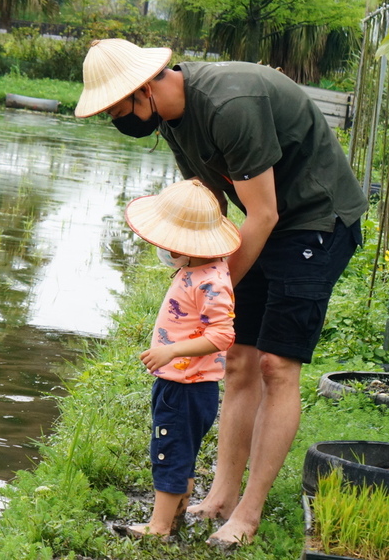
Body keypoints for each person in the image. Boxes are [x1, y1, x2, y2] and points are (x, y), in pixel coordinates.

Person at [75, 39, 367, 547]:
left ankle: (248, 514)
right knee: (237, 358)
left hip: (316, 218)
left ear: (143, 88)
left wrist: (216, 288)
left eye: (117, 109)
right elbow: (212, 205)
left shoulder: (230, 106)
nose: (116, 120)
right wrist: (191, 267)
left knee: (276, 364)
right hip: (266, 220)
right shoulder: (171, 119)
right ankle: (221, 497)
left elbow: (265, 213)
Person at [115, 178, 239, 539]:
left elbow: (223, 335)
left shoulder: (210, 282)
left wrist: (171, 350)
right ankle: (177, 512)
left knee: (168, 449)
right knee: (180, 449)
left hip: (185, 385)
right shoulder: (197, 269)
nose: (164, 249)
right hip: (184, 384)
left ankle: (159, 526)